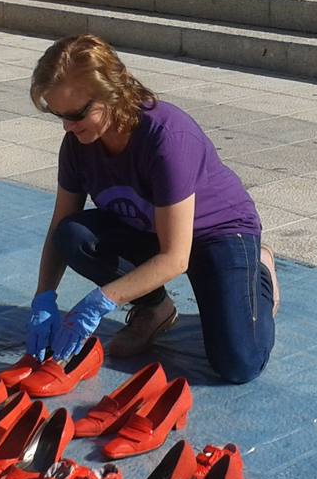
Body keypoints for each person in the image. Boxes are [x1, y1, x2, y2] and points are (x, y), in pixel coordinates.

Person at [25, 35, 279, 385]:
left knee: (239, 363)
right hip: (147, 228)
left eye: (76, 115)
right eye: (58, 116)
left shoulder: (167, 138)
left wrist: (102, 300)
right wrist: (44, 296)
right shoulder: (77, 144)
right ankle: (155, 308)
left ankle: (260, 273)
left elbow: (176, 258)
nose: (67, 127)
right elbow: (59, 228)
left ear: (112, 94)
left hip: (215, 234)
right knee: (73, 235)